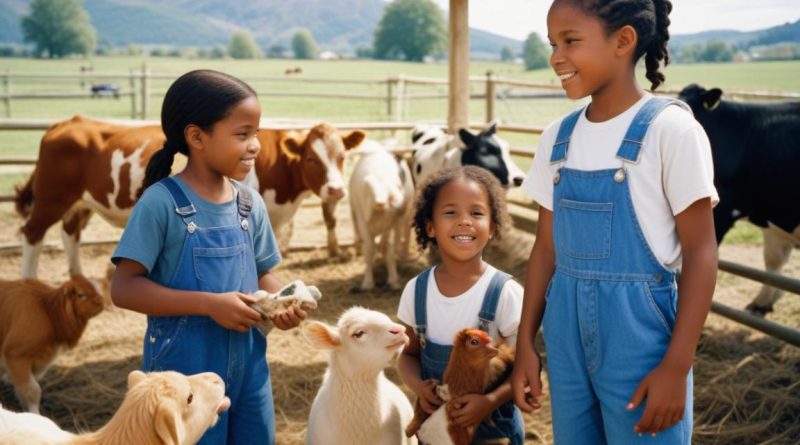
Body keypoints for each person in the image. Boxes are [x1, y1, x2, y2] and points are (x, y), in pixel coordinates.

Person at [511, 1, 719, 444]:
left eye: (570, 41)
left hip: (640, 339)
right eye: (553, 44)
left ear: (623, 41)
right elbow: (546, 249)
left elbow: (701, 250)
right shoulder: (558, 138)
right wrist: (525, 343)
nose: (555, 57)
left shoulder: (671, 131)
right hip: (564, 337)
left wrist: (677, 365)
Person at [111, 69, 309, 445]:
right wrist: (209, 305)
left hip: (251, 369)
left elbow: (263, 273)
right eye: (242, 134)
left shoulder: (250, 205)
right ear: (196, 136)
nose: (254, 145)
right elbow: (124, 288)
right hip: (182, 385)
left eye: (256, 134)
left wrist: (283, 304)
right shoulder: (161, 203)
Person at [397, 166, 525, 444]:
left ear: (491, 227)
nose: (465, 221)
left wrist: (489, 401)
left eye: (476, 213)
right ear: (430, 226)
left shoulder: (506, 293)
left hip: (493, 433)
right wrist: (419, 386)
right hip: (436, 431)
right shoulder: (416, 291)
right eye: (451, 212)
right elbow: (408, 356)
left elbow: (524, 367)